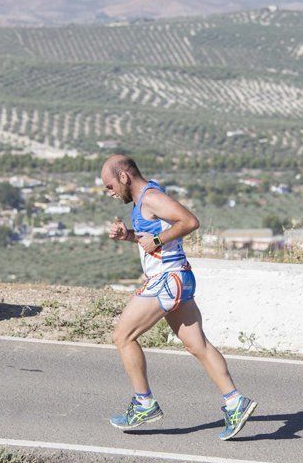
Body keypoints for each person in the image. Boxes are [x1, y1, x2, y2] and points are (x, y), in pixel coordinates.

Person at [100, 154, 257, 441]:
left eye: (109, 186)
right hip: (178, 278)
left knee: (122, 336)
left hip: (166, 280)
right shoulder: (144, 200)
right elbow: (154, 236)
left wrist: (156, 241)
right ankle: (235, 402)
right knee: (198, 345)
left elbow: (189, 221)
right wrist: (129, 236)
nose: (109, 193)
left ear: (123, 176)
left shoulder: (150, 197)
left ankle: (144, 403)